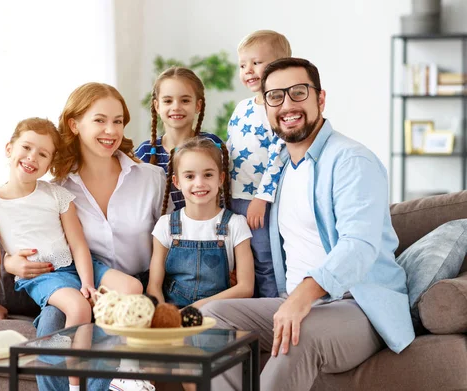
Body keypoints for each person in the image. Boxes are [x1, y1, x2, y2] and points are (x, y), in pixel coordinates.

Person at [202, 57, 415, 391]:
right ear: (266, 106)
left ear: (320, 98)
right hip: (295, 303)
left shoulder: (351, 160)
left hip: (357, 306)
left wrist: (303, 295)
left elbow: (359, 245)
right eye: (275, 96)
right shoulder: (282, 167)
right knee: (213, 318)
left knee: (296, 337)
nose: (287, 105)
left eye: (298, 92)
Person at [3, 83, 165, 391]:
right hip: (78, 283)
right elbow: (18, 225)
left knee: (108, 324)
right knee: (52, 323)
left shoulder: (150, 179)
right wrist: (11, 262)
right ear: (74, 124)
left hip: (132, 286)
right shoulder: (56, 188)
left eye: (118, 121)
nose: (111, 130)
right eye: (100, 120)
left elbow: (170, 240)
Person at [0, 117, 141, 391]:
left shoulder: (56, 194)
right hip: (44, 275)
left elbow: (78, 245)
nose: (31, 157)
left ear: (50, 163)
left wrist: (88, 283)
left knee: (132, 286)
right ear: (9, 148)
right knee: (77, 307)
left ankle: (129, 369)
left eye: (42, 154)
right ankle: (76, 384)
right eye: (26, 148)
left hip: (78, 266)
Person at [147, 137, 254, 309]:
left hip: (218, 317)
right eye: (189, 176)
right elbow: (154, 287)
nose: (199, 183)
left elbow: (246, 288)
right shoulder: (165, 225)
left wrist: (198, 308)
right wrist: (164, 318)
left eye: (208, 175)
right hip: (174, 317)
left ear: (221, 178)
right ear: (177, 182)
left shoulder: (236, 224)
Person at [227, 30, 291, 298]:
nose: (248, 70)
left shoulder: (278, 106)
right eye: (243, 65)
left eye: (256, 62)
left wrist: (262, 198)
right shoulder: (242, 107)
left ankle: (273, 308)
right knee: (241, 263)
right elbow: (230, 149)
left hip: (261, 201)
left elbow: (279, 154)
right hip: (234, 197)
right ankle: (247, 312)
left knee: (266, 258)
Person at [135, 66, 223, 211]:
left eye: (185, 100)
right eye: (168, 101)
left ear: (198, 105)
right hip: (162, 232)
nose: (176, 107)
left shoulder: (212, 144)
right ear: (157, 106)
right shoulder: (145, 153)